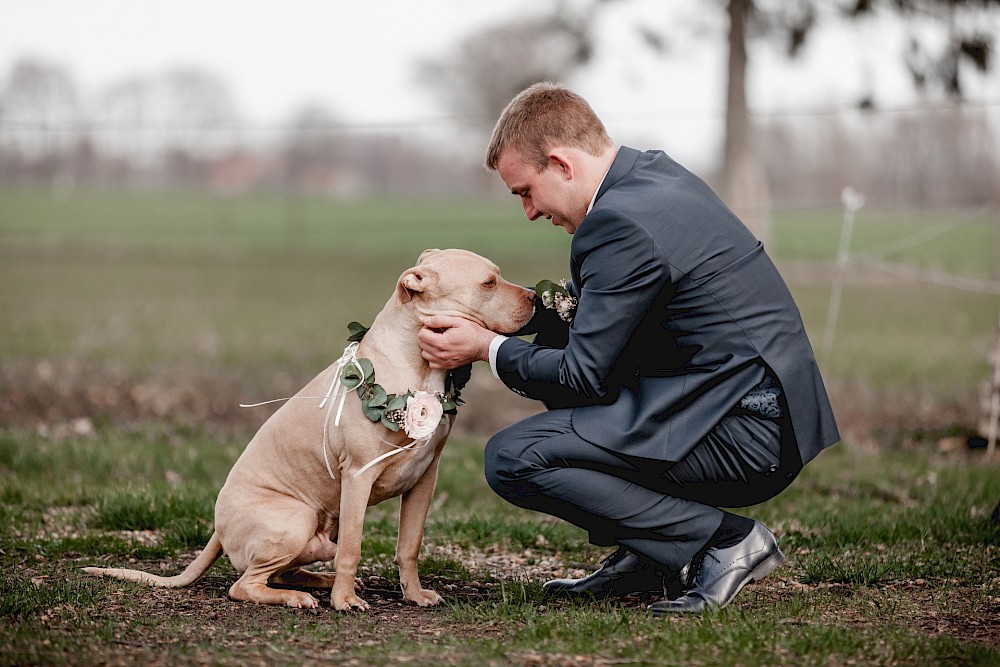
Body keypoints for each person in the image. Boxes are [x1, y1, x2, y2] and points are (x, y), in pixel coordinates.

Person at [417, 82, 840, 614]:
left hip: (744, 430)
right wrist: (495, 311)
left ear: (561, 164)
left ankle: (722, 541)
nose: (527, 211)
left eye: (524, 191)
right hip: (746, 409)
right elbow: (605, 315)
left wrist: (487, 348)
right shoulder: (651, 177)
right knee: (577, 419)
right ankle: (652, 556)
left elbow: (582, 376)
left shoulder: (619, 223)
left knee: (514, 457)